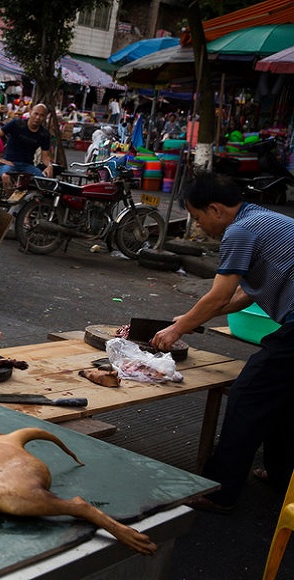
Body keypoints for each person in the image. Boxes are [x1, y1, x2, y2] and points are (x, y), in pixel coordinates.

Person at [150, 172, 294, 513]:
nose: (199, 226)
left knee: (249, 395)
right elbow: (244, 294)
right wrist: (189, 320)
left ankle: (220, 491)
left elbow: (219, 296)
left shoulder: (239, 231)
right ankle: (282, 476)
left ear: (215, 209)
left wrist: (177, 330)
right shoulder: (263, 219)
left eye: (198, 218)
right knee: (285, 400)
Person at [0, 102, 53, 196]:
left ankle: (33, 205)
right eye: (36, 114)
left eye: (42, 115)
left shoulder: (44, 133)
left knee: (43, 182)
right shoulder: (17, 123)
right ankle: (11, 203)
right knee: (6, 177)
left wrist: (49, 166)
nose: (38, 118)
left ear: (45, 117)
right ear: (30, 112)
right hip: (10, 162)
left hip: (28, 166)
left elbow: (45, 157)